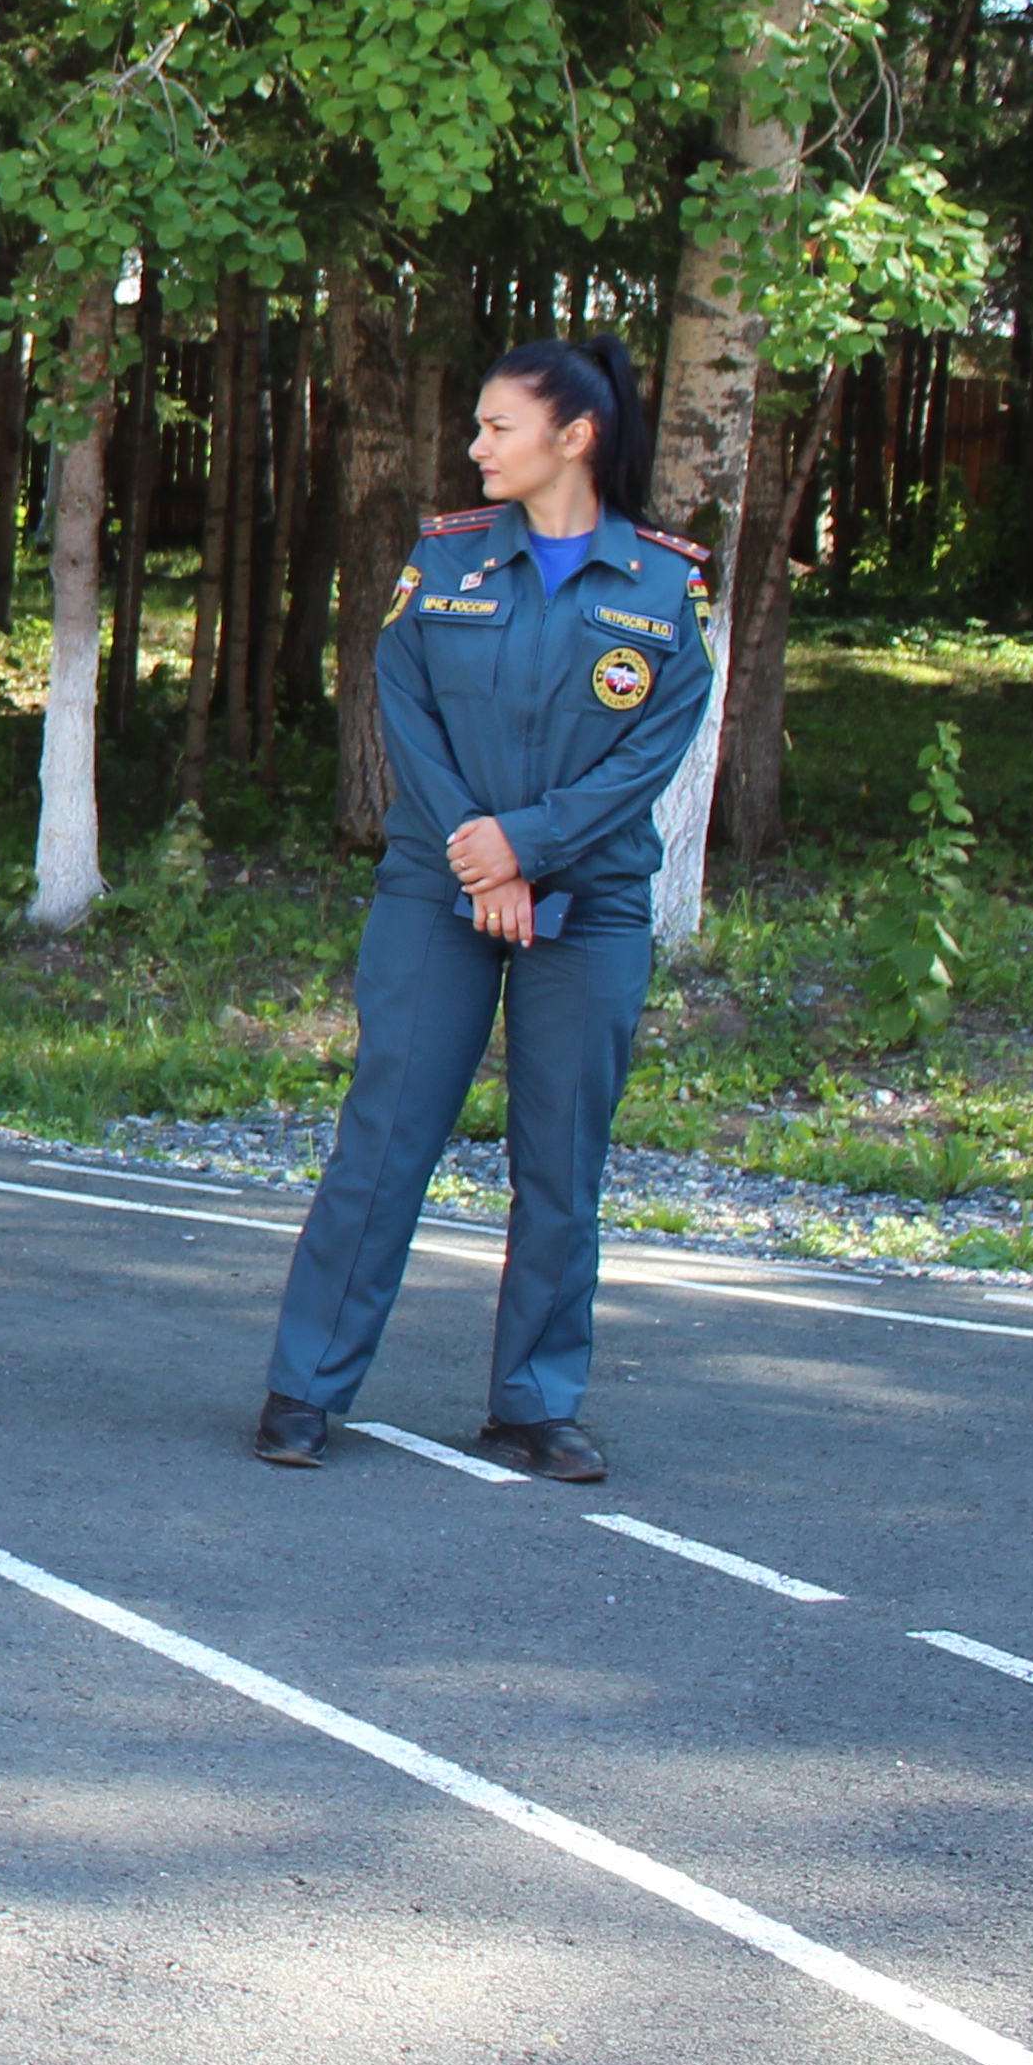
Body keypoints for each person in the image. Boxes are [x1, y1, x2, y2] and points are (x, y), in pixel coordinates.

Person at [256, 340, 717, 1483]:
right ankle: (306, 1387)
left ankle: (535, 1406)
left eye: (497, 427)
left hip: (593, 896)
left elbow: (653, 749)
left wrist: (531, 844)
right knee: (387, 1133)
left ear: (576, 436)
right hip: (438, 885)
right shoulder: (447, 558)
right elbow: (402, 702)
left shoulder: (665, 586)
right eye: (476, 426)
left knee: (563, 1156)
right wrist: (484, 855)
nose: (476, 448)